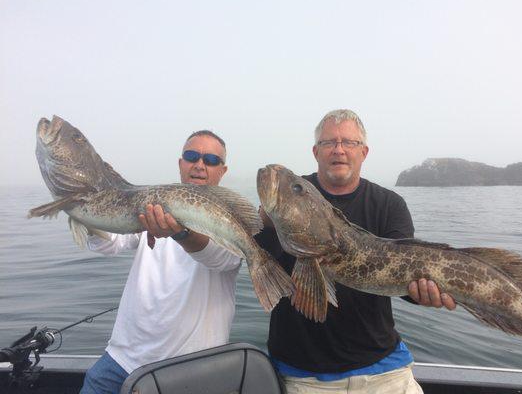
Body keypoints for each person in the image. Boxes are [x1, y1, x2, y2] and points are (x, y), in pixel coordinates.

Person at [255, 109, 457, 394]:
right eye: (329, 143)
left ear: (363, 151)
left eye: (348, 142)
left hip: (385, 371)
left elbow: (401, 282)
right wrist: (266, 223)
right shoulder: (284, 205)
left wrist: (422, 294)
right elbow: (263, 268)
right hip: (304, 377)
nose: (339, 150)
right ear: (316, 151)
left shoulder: (389, 204)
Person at [80, 130, 242, 394]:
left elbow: (223, 258)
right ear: (181, 164)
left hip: (189, 371)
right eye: (192, 156)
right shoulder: (153, 205)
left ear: (222, 171)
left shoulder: (229, 218)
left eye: (211, 160)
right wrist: (83, 211)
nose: (200, 165)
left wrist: (180, 233)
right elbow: (108, 242)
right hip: (121, 361)